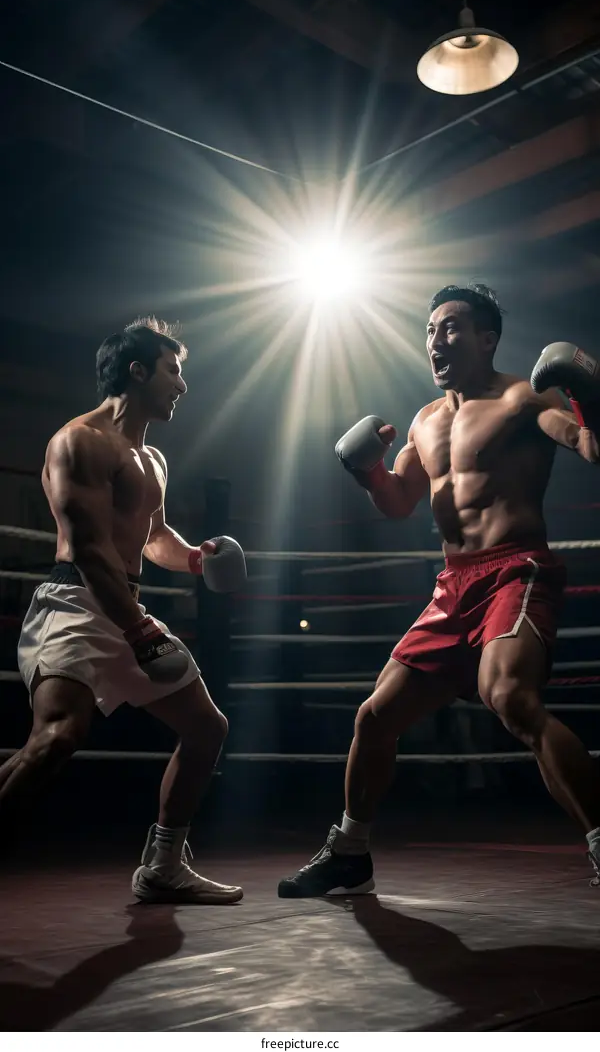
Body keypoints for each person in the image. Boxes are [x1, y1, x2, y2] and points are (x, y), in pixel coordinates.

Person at [278, 283, 600, 897]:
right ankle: (349, 853)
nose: (437, 340)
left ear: (487, 338)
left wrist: (590, 394)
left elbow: (590, 447)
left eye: (451, 327)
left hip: (514, 570)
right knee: (374, 718)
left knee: (509, 696)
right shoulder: (425, 421)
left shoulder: (524, 398)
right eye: (431, 330)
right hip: (452, 587)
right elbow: (398, 502)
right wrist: (367, 471)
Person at [1, 317, 247, 904]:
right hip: (77, 605)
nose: (182, 386)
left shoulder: (153, 460)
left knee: (207, 729)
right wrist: (138, 631)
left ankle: (164, 863)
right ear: (138, 371)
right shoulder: (80, 442)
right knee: (58, 737)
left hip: (127, 603)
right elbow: (89, 550)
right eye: (173, 370)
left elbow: (151, 534)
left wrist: (192, 559)